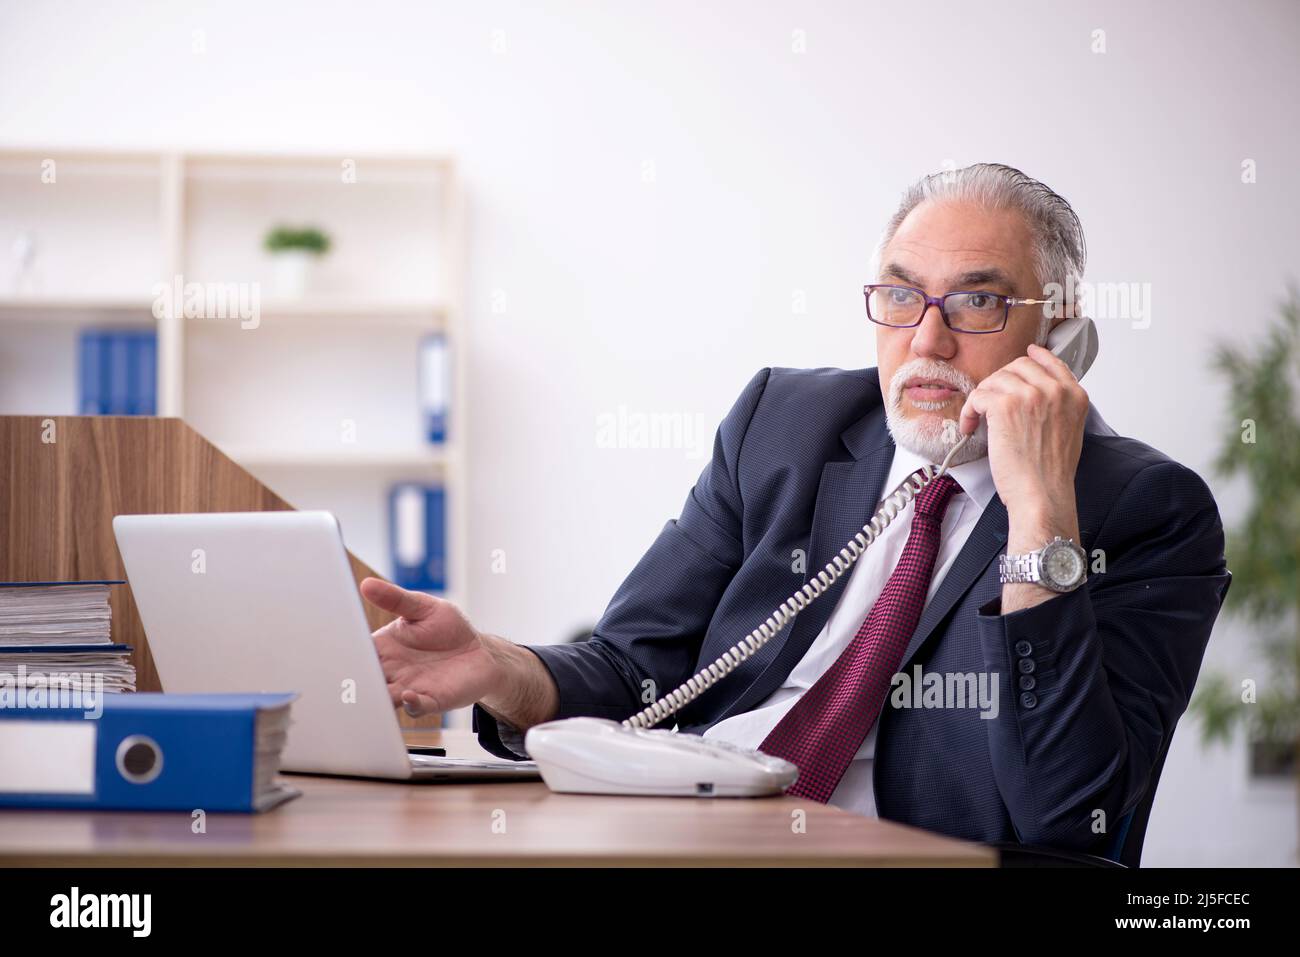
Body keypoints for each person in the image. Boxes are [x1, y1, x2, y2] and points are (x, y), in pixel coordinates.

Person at [361, 163, 1230, 856]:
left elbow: (1071, 818)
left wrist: (1042, 514)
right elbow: (634, 672)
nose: (926, 340)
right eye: (901, 296)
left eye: (976, 301)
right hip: (686, 832)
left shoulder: (1146, 510)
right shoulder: (785, 424)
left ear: (1061, 336)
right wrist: (496, 666)